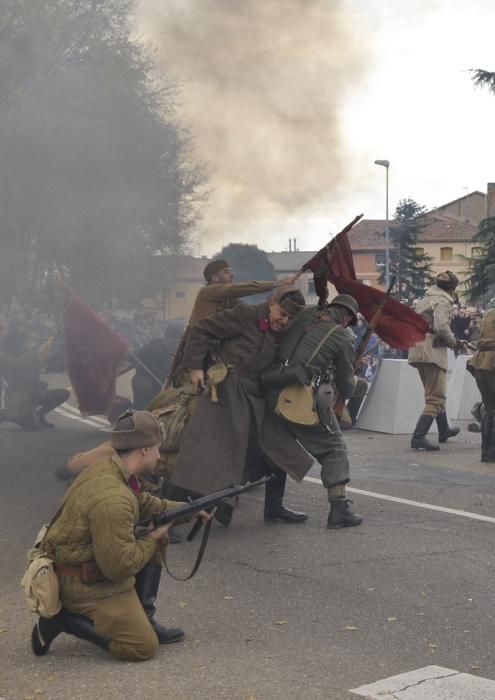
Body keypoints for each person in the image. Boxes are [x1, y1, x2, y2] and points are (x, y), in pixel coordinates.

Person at [31, 410, 211, 661]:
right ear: (144, 450)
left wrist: (189, 510)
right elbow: (119, 566)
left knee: (155, 538)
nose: (160, 455)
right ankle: (63, 620)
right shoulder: (113, 498)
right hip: (80, 581)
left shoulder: (111, 469)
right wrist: (153, 537)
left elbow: (144, 503)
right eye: (158, 448)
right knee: (142, 646)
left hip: (85, 563)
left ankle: (144, 617)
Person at [170, 287, 314, 523]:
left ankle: (273, 508)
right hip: (225, 391)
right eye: (281, 313)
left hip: (255, 395)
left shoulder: (283, 330)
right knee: (199, 453)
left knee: (278, 449)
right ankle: (171, 518)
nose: (284, 320)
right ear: (271, 304)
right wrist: (195, 367)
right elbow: (200, 330)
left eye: (289, 318)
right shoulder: (245, 315)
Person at [266, 294, 362, 529]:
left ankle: (271, 505)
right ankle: (339, 509)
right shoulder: (341, 336)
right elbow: (346, 383)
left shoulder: (307, 314)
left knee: (277, 449)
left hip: (270, 387)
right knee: (334, 447)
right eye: (349, 320)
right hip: (296, 396)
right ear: (347, 316)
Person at [408, 271, 463, 450]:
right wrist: (454, 342)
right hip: (432, 352)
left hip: (418, 348)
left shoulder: (426, 299)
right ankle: (419, 437)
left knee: (436, 393)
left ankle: (444, 430)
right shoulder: (443, 301)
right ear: (452, 289)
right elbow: (441, 326)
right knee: (436, 398)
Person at [0, 327, 69, 430]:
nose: (30, 343)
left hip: (18, 397)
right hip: (24, 398)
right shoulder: (26, 358)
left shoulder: (5, 357)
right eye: (28, 341)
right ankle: (11, 416)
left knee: (31, 423)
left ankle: (24, 415)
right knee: (31, 424)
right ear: (20, 342)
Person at [467, 308, 495, 462]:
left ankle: (487, 453)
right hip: (492, 362)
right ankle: (492, 452)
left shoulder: (490, 312)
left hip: (481, 363)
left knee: (490, 409)